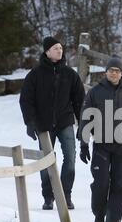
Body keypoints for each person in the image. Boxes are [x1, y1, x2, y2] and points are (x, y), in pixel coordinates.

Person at [20, 36, 85, 210]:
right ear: (47, 51)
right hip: (44, 125)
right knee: (46, 162)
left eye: (61, 48)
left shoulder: (70, 74)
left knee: (70, 159)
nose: (60, 50)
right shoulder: (35, 74)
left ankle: (65, 195)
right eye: (56, 48)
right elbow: (26, 100)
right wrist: (30, 122)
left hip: (65, 123)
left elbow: (79, 100)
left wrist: (83, 124)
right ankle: (48, 196)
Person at [78, 57, 122, 222]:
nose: (114, 73)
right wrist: (83, 144)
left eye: (117, 71)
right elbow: (85, 118)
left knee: (119, 185)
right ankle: (99, 215)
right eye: (111, 70)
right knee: (101, 184)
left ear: (121, 73)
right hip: (101, 146)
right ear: (106, 72)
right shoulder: (95, 92)